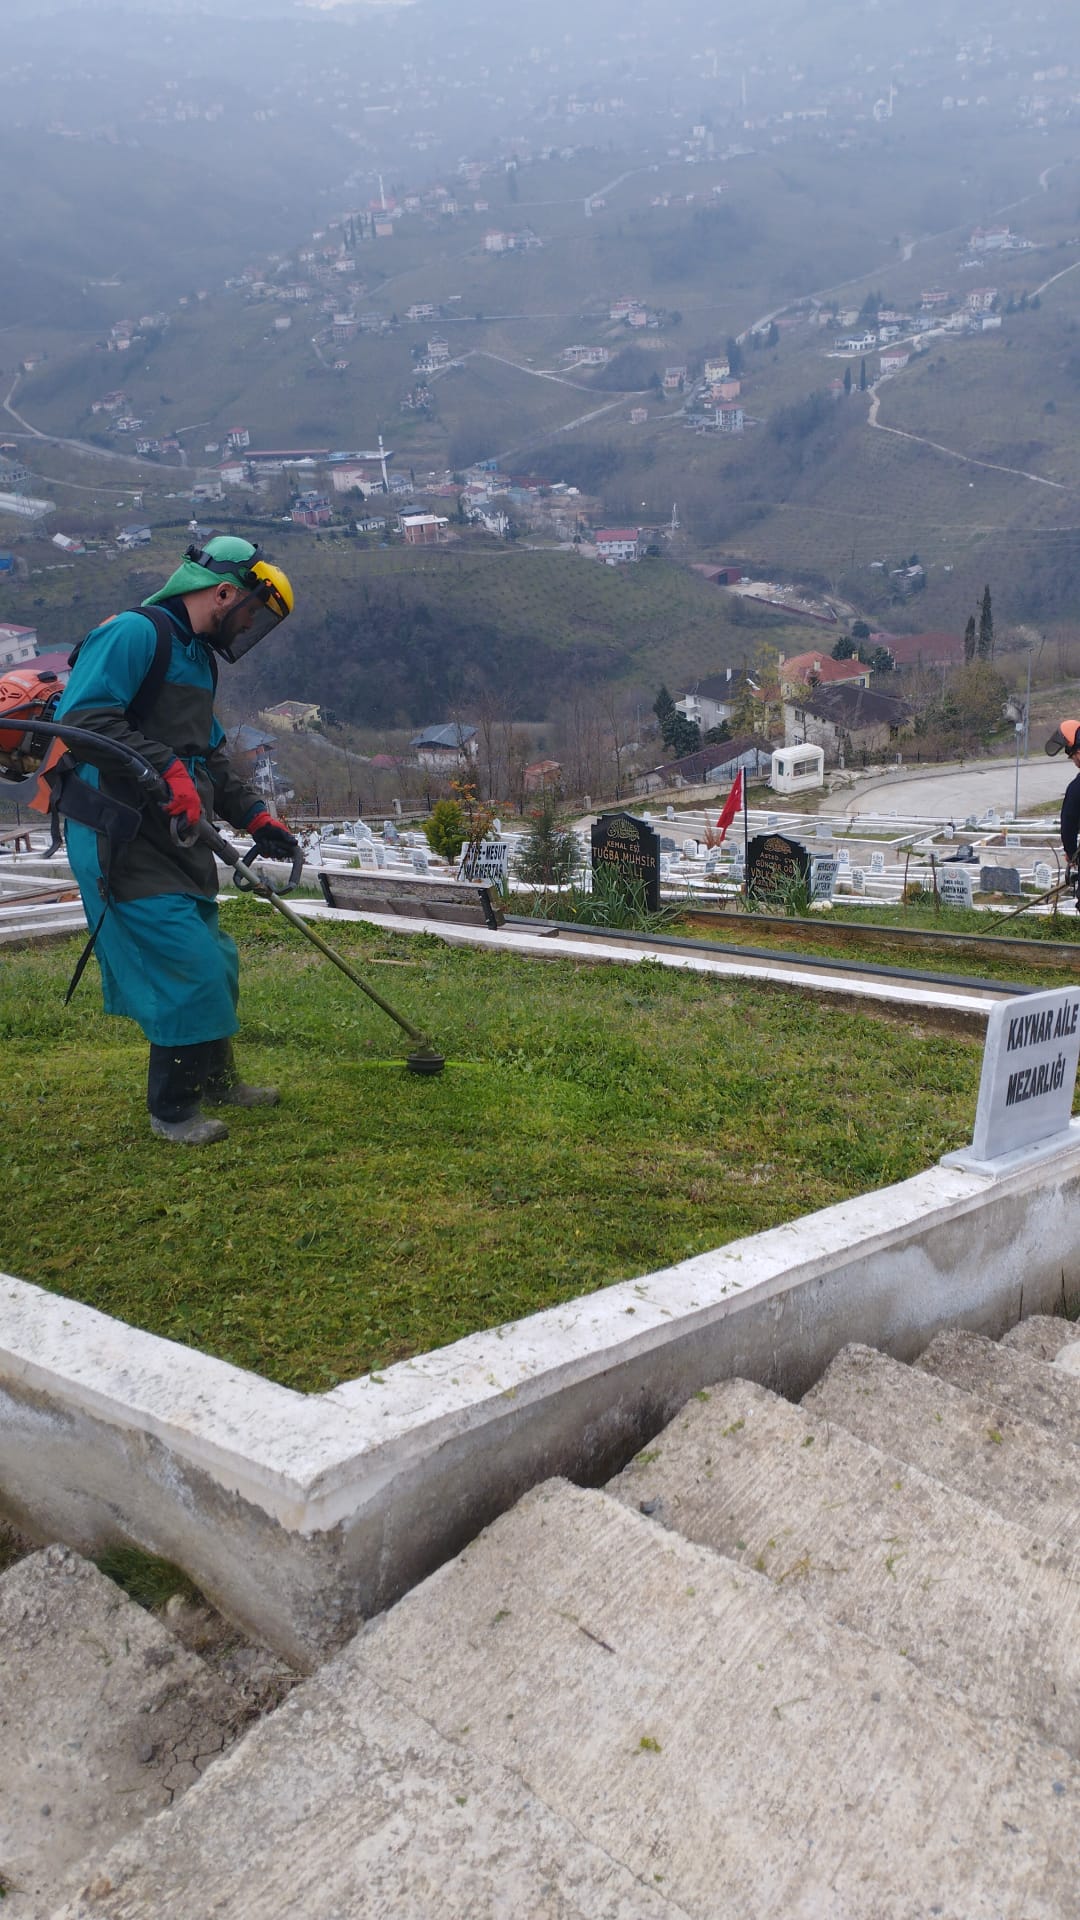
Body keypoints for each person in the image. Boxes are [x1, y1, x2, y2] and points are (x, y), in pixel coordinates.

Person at [51, 535, 300, 1145]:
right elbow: (83, 722)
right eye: (252, 612)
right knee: (187, 965)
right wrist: (164, 769)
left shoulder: (197, 658)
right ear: (224, 593)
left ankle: (217, 1081)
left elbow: (206, 754)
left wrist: (255, 816)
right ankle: (173, 1109)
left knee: (215, 960)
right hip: (121, 834)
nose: (250, 626)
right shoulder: (136, 634)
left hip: (176, 835)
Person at [1045, 720, 1080, 889]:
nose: (1073, 761)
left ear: (1078, 753)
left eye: (1072, 756)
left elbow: (1068, 825)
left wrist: (1072, 853)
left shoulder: (1076, 788)